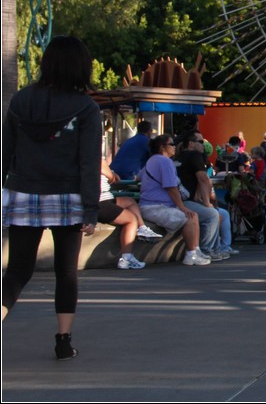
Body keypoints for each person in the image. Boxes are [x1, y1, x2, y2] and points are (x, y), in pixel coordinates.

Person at [1, 36, 102, 360]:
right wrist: (91, 209)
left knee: (17, 271)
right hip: (68, 196)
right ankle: (63, 341)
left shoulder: (21, 100)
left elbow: (5, 150)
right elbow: (88, 162)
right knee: (66, 272)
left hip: (23, 192)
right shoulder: (86, 108)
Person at [137, 134, 211, 267]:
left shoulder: (151, 160)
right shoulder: (165, 162)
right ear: (162, 147)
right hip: (156, 207)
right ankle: (191, 254)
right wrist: (182, 207)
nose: (175, 146)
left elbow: (139, 177)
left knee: (192, 216)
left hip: (149, 205)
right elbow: (171, 187)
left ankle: (195, 251)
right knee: (190, 217)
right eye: (171, 144)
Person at [176, 129, 237, 258]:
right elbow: (204, 179)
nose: (203, 144)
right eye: (201, 141)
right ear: (191, 143)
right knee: (212, 214)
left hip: (184, 200)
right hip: (185, 201)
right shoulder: (194, 155)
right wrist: (207, 202)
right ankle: (207, 249)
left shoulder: (178, 157)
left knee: (221, 213)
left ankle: (218, 248)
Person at [97, 159, 159, 270]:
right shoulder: (98, 159)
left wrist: (111, 173)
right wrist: (111, 174)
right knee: (131, 220)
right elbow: (111, 178)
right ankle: (126, 259)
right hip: (100, 201)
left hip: (104, 198)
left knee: (129, 201)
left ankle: (142, 228)